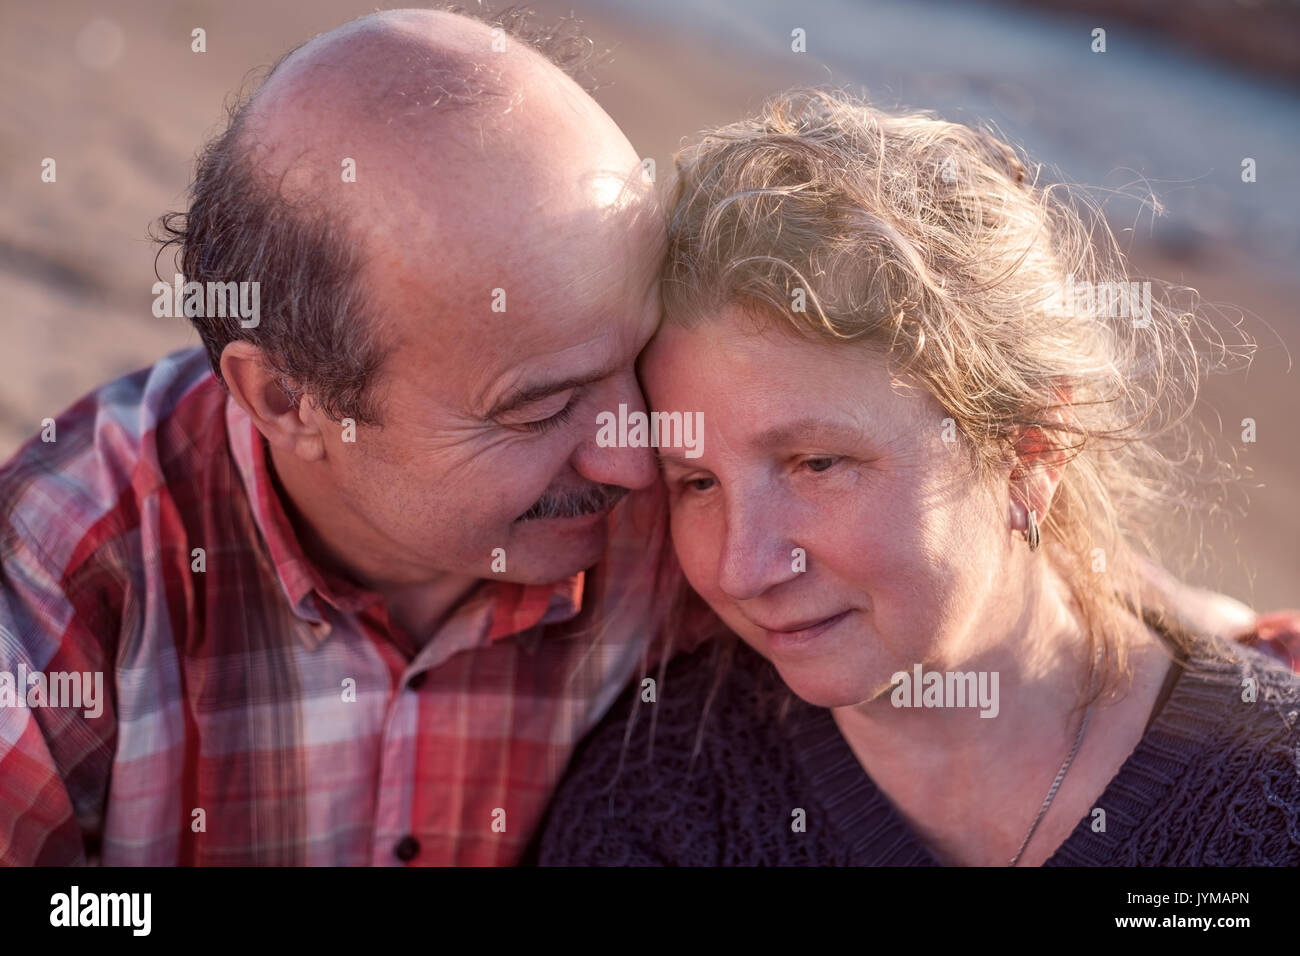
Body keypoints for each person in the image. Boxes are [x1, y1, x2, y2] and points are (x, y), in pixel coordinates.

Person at [535, 89, 1300, 866]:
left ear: (1032, 451)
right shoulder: (662, 810)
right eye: (695, 482)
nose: (742, 569)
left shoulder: (1273, 804)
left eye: (818, 464)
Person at [0, 7, 674, 865]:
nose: (641, 457)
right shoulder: (69, 568)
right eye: (540, 410)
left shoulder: (723, 486)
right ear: (287, 397)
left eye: (647, 357)